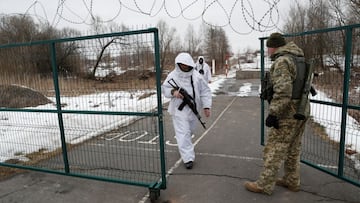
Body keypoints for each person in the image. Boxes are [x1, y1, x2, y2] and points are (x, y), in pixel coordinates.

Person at [244, 32, 310, 195]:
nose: (267, 52)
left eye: (268, 48)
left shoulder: (283, 61)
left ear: (273, 47)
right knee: (293, 148)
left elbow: (283, 91)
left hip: (288, 113)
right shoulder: (299, 58)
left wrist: (273, 113)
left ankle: (264, 185)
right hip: (302, 110)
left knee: (275, 147)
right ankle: (292, 180)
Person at [162, 52, 212, 169]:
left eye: (186, 64)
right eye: (181, 64)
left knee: (189, 132)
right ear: (178, 64)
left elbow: (205, 91)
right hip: (179, 110)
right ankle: (188, 158)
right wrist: (173, 92)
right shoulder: (173, 76)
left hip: (194, 109)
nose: (184, 66)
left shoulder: (197, 76)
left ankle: (185, 147)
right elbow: (165, 88)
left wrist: (206, 106)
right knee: (183, 133)